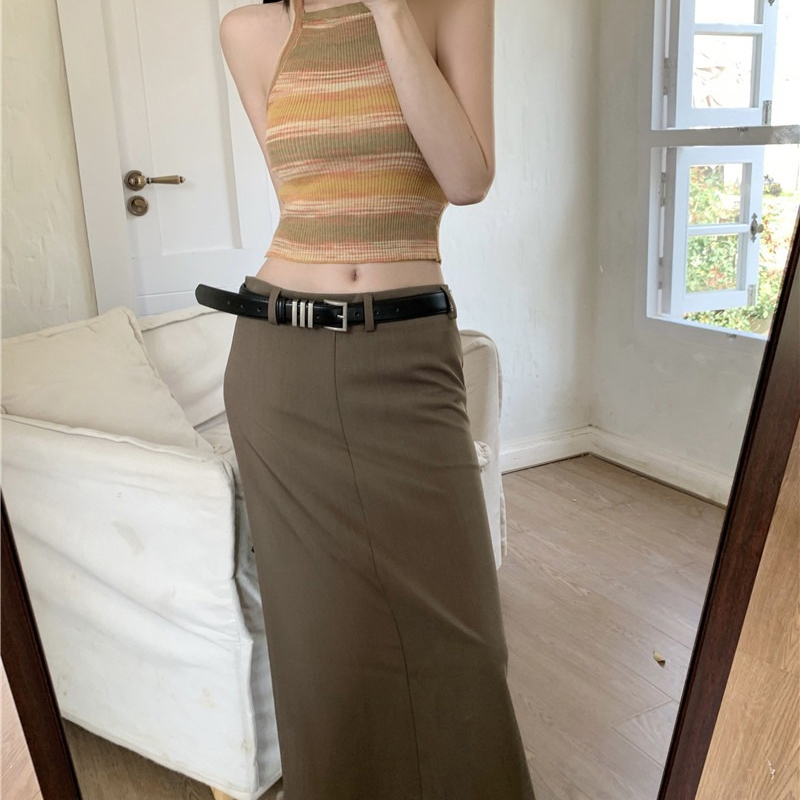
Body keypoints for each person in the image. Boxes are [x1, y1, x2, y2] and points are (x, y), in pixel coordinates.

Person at [209, 0, 537, 797]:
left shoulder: (448, 7)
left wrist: (390, 11)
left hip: (408, 357)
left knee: (467, 644)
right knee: (322, 651)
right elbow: (305, 197)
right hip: (279, 363)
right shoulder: (248, 33)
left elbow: (467, 178)